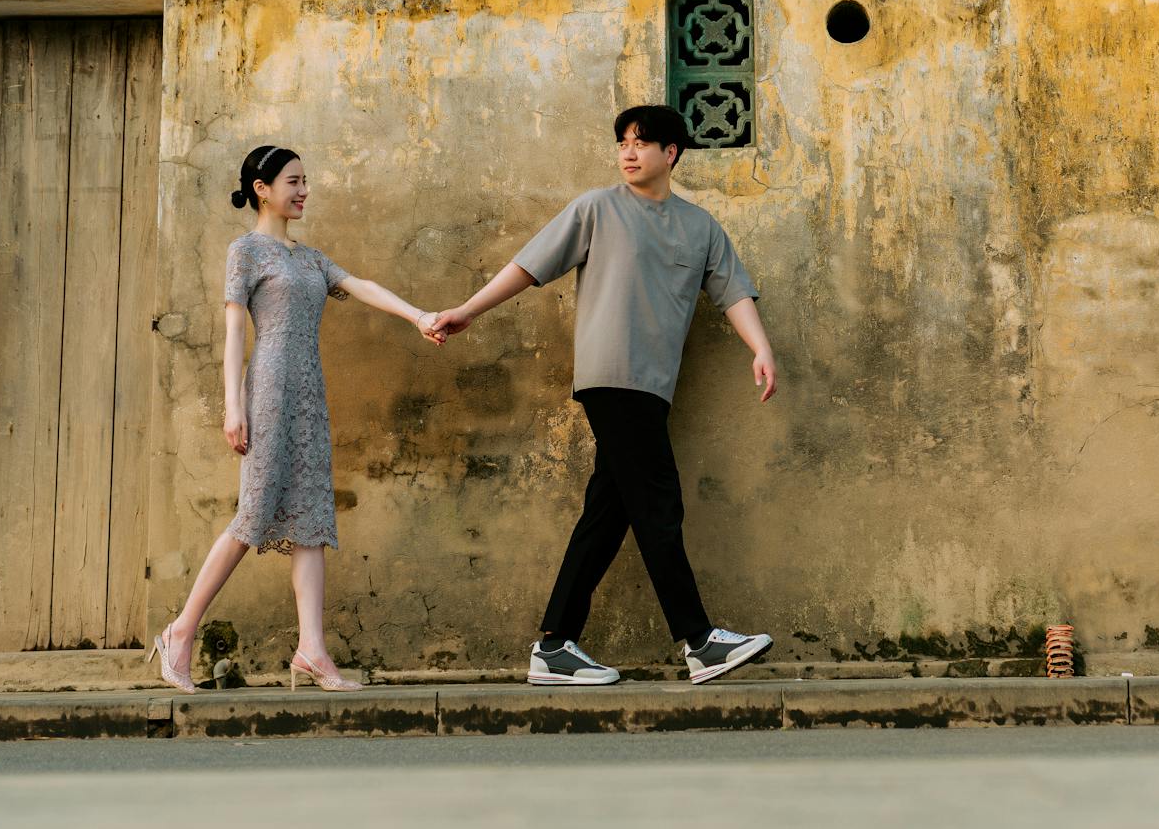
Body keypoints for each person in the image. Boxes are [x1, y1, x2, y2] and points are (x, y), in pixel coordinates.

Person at [426, 105, 778, 686]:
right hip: (612, 375)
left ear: (672, 154)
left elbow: (733, 292)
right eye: (622, 142)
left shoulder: (701, 227)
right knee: (659, 503)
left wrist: (760, 348)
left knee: (608, 513)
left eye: (642, 142)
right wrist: (466, 311)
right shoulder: (597, 208)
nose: (628, 152)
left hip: (655, 384)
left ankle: (556, 645)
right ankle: (699, 641)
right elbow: (529, 265)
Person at [148, 145, 443, 694]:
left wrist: (417, 315)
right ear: (262, 189)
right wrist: (233, 406)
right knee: (254, 512)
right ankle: (181, 632)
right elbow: (236, 332)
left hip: (310, 394)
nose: (303, 190)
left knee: (311, 517)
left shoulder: (310, 259)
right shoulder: (246, 251)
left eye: (306, 181)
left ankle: (312, 651)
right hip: (268, 390)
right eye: (293, 181)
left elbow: (361, 286)